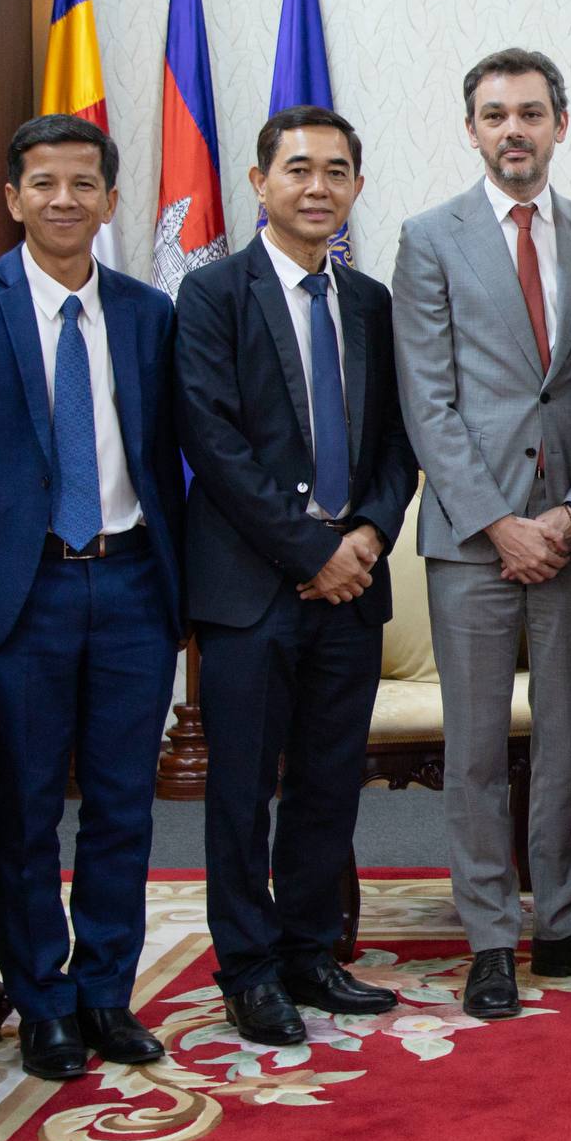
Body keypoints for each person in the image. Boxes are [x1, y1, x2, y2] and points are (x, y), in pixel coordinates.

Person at [0, 114, 185, 1081]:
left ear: (110, 202)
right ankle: (44, 1004)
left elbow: (167, 459)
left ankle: (105, 992)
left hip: (134, 583)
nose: (64, 199)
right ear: (13, 197)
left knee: (122, 806)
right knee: (24, 811)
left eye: (83, 184)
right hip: (19, 595)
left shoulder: (148, 314)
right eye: (44, 183)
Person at [174, 106, 418, 1048]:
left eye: (337, 171)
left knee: (328, 783)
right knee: (242, 790)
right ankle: (248, 970)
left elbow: (396, 442)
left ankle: (312, 952)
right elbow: (213, 441)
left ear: (356, 186)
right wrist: (311, 552)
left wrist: (367, 536)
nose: (318, 187)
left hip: (351, 590)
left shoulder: (371, 303)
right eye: (299, 169)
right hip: (251, 590)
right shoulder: (211, 295)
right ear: (259, 182)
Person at [392, 48, 571, 1020]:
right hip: (471, 538)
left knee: (567, 740)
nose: (513, 129)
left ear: (561, 123)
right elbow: (427, 400)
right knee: (477, 747)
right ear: (472, 129)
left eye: (530, 112)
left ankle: (562, 918)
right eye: (495, 114)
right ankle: (490, 935)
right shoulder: (427, 239)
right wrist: (498, 520)